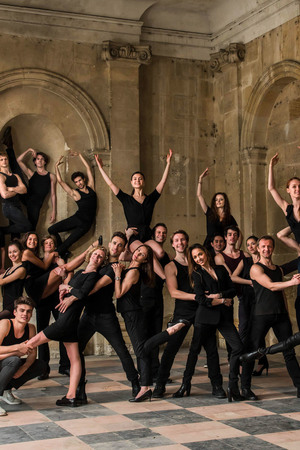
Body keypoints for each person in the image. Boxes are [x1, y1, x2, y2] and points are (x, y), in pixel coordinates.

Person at [25, 245, 106, 407]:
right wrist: (63, 283)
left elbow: (82, 293)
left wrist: (68, 288)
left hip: (65, 322)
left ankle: (7, 381)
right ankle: (71, 396)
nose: (96, 257)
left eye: (100, 257)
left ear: (102, 262)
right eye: (95, 254)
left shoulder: (92, 275)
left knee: (29, 343)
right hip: (69, 322)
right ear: (90, 254)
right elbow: (71, 288)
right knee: (75, 360)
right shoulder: (81, 272)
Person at [112, 244, 189, 402]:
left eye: (141, 254)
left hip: (133, 315)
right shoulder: (132, 269)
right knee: (143, 350)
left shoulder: (133, 272)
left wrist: (117, 274)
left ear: (145, 259)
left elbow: (119, 294)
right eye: (137, 250)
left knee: (141, 350)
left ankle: (170, 331)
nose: (137, 254)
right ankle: (145, 388)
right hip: (132, 314)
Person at [153, 230, 223, 399]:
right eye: (176, 240)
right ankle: (160, 384)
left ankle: (217, 385)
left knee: (211, 348)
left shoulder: (198, 263)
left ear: (187, 241)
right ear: (172, 244)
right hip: (184, 311)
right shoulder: (170, 266)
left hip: (203, 310)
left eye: (183, 239)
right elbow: (174, 292)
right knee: (171, 348)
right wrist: (199, 297)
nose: (180, 243)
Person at [76, 232, 141, 401]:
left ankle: (135, 383)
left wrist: (73, 292)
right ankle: (79, 388)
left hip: (106, 316)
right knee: (76, 350)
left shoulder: (115, 268)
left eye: (120, 245)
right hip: (88, 315)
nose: (115, 247)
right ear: (110, 243)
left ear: (123, 249)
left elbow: (93, 288)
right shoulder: (98, 262)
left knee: (121, 350)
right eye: (114, 243)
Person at [175, 244, 243, 402]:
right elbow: (201, 299)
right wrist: (222, 300)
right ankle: (189, 384)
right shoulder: (197, 274)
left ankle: (233, 384)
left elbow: (232, 290)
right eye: (195, 257)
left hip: (223, 318)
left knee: (238, 347)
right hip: (205, 318)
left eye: (200, 254)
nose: (198, 258)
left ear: (205, 253)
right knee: (198, 351)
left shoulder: (220, 269)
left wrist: (218, 295)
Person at [95, 150, 172, 277]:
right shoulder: (126, 199)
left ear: (143, 182)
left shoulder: (150, 199)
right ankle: (165, 278)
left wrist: (168, 163)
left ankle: (132, 258)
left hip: (146, 234)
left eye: (140, 179)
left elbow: (162, 183)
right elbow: (110, 184)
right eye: (135, 179)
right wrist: (100, 168)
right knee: (146, 252)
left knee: (160, 253)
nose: (137, 180)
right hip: (134, 236)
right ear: (131, 182)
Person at [240, 235, 300, 400]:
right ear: (258, 249)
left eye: (269, 247)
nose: (266, 249)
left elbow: (281, 294)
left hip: (280, 315)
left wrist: (286, 313)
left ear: (273, 249)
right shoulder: (255, 268)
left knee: (289, 351)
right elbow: (272, 286)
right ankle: (245, 388)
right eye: (263, 247)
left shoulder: (278, 270)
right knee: (252, 351)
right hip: (261, 315)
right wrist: (292, 283)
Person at [268, 153, 300, 328]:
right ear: (288, 190)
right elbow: (272, 188)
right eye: (293, 187)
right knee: (299, 301)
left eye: (299, 186)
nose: (297, 189)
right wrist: (271, 166)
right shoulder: (287, 209)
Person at [0, 297, 47, 416]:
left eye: (28, 311)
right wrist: (17, 349)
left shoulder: (31, 328)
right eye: (22, 310)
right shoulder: (5, 324)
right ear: (15, 312)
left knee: (41, 365)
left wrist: (24, 368)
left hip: (8, 364)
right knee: (14, 360)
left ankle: (6, 391)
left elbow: (32, 353)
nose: (25, 314)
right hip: (5, 362)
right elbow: (17, 352)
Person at [48, 151, 97, 259]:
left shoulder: (91, 187)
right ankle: (62, 254)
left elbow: (88, 169)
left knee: (67, 243)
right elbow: (60, 182)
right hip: (77, 219)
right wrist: (56, 166)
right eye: (76, 182)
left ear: (83, 179)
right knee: (51, 230)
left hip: (85, 225)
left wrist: (79, 155)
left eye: (80, 180)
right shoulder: (75, 193)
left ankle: (59, 255)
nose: (79, 183)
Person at [34, 235, 69, 380]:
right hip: (42, 301)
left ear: (54, 246)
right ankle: (43, 369)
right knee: (41, 333)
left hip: (56, 299)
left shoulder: (59, 260)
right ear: (43, 247)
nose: (49, 245)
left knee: (63, 329)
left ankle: (65, 366)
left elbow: (66, 276)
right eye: (46, 243)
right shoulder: (39, 262)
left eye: (51, 243)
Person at [139, 223, 171, 382]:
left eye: (164, 233)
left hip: (158, 297)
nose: (162, 235)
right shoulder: (145, 251)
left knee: (156, 335)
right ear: (153, 234)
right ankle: (144, 373)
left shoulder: (165, 257)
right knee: (144, 335)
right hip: (144, 297)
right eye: (159, 232)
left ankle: (156, 371)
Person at [197, 168, 241, 248]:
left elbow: (239, 234)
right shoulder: (209, 212)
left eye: (221, 199)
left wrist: (236, 249)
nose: (218, 201)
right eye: (216, 200)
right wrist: (200, 179)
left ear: (225, 202)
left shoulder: (229, 218)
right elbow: (199, 196)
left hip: (222, 246)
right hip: (209, 246)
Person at [0, 152, 31, 263]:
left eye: (5, 159)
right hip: (8, 207)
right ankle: (2, 230)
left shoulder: (15, 176)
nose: (4, 161)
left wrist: (12, 189)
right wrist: (17, 190)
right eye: (1, 160)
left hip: (17, 206)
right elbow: (4, 195)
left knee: (15, 238)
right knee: (27, 226)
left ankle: (16, 263)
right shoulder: (0, 176)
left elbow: (25, 190)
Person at [16, 148, 57, 230]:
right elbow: (18, 160)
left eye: (42, 159)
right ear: (35, 161)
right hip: (26, 198)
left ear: (45, 162)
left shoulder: (51, 176)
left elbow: (53, 195)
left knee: (31, 228)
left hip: (36, 204)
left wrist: (54, 211)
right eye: (38, 159)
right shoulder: (31, 173)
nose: (40, 161)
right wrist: (29, 150)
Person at [21, 232, 66, 305]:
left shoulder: (37, 258)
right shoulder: (27, 253)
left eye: (35, 240)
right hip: (35, 287)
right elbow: (45, 267)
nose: (32, 241)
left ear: (55, 247)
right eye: (30, 239)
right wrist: (52, 254)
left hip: (52, 294)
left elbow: (66, 273)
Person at [0, 240, 26, 320]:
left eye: (15, 251)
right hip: (5, 304)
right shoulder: (8, 270)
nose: (12, 255)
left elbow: (2, 281)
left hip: (14, 305)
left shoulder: (21, 269)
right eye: (10, 252)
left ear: (21, 252)